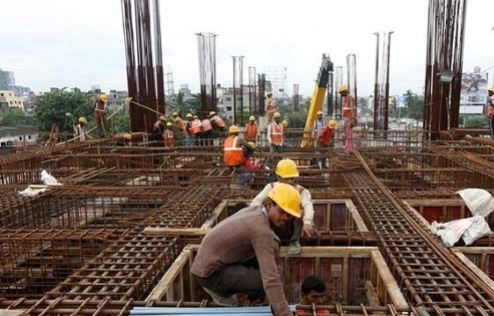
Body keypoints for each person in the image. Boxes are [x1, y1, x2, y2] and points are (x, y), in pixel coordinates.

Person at [191, 183, 301, 316]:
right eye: (282, 211)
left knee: (273, 268)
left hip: (210, 264)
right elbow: (271, 279)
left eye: (289, 215)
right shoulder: (260, 230)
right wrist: (284, 313)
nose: (285, 218)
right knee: (271, 277)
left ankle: (249, 298)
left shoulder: (256, 211)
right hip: (210, 275)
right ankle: (226, 298)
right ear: (270, 204)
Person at [250, 158, 315, 255]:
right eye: (286, 178)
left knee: (301, 212)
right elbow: (255, 203)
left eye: (292, 178)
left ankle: (294, 242)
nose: (289, 181)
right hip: (273, 227)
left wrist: (308, 222)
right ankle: (269, 239)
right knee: (265, 209)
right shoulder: (271, 187)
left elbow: (308, 206)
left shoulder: (302, 191)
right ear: (278, 177)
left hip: (291, 227)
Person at [338, 84, 356, 154]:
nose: (341, 94)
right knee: (347, 134)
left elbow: (351, 108)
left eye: (341, 93)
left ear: (345, 91)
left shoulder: (350, 98)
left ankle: (349, 149)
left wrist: (353, 119)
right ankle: (348, 148)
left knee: (349, 135)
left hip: (349, 119)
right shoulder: (346, 98)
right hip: (346, 119)